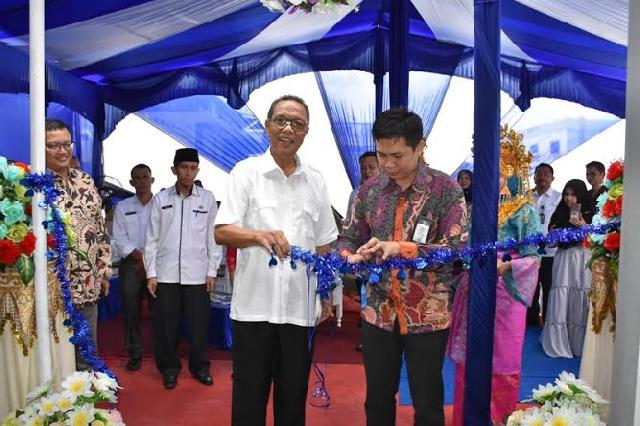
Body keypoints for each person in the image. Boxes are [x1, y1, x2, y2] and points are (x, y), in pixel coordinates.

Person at [338, 108, 467, 426]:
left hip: (427, 314)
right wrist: (351, 258)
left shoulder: (445, 190)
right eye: (382, 155)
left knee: (427, 403)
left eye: (397, 155)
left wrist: (401, 249)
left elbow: (456, 249)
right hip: (378, 312)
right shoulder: (368, 192)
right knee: (378, 399)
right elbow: (347, 238)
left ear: (420, 146)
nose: (388, 164)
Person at [214, 95, 338, 426]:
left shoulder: (316, 180)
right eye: (281, 120)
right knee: (248, 401)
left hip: (299, 311)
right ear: (267, 125)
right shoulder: (246, 173)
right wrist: (258, 235)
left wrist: (325, 294)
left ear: (306, 132)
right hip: (254, 309)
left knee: (292, 401)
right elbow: (222, 231)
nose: (288, 129)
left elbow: (324, 243)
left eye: (297, 123)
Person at [447, 127, 541, 425]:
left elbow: (534, 257)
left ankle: (500, 419)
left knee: (503, 358)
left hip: (507, 290)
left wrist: (507, 267)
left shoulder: (525, 211)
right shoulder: (477, 208)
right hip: (476, 285)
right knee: (473, 356)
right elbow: (465, 244)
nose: (495, 175)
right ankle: (468, 417)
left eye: (502, 168)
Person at [144, 148, 222, 389]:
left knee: (199, 326)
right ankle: (169, 368)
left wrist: (212, 271)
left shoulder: (207, 199)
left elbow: (213, 238)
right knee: (167, 326)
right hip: (166, 274)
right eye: (184, 167)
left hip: (197, 274)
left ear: (197, 169)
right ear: (174, 170)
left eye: (193, 168)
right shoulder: (161, 199)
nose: (188, 173)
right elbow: (151, 239)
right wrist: (151, 274)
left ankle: (200, 368)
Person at [45, 118, 112, 371]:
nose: (62, 151)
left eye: (66, 144)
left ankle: (84, 405)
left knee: (86, 351)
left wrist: (103, 271)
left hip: (87, 283)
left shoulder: (85, 180)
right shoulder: (34, 184)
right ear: (41, 148)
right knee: (56, 353)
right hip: (53, 287)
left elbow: (99, 228)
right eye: (53, 146)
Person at [541, 179, 594, 358]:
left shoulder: (590, 210)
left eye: (572, 194)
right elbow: (551, 239)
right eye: (566, 194)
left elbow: (598, 237)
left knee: (580, 294)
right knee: (561, 294)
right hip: (563, 258)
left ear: (580, 195)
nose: (568, 198)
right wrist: (554, 233)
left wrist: (585, 226)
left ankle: (578, 345)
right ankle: (558, 342)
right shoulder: (560, 212)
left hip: (581, 257)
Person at [112, 164, 155, 371]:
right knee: (131, 308)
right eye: (136, 178)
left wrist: (149, 260)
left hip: (158, 262)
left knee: (163, 309)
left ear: (152, 179)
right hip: (131, 262)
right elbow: (119, 237)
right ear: (131, 182)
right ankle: (135, 352)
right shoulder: (123, 207)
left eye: (145, 177)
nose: (141, 181)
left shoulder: (162, 204)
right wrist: (139, 259)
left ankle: (164, 352)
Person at [527, 163, 562, 326]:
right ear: (534, 177)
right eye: (538, 174)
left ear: (552, 178)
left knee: (548, 286)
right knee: (530, 287)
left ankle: (548, 321)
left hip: (550, 252)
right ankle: (531, 320)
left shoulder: (559, 197)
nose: (542, 178)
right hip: (530, 251)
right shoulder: (526, 197)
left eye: (545, 175)